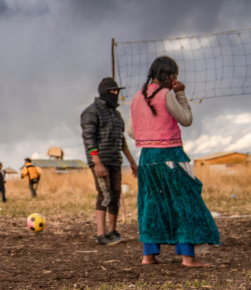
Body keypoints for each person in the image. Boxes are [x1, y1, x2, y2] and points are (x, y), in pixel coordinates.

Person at [128, 56, 218, 267]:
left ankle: (149, 256)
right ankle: (188, 257)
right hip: (171, 155)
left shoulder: (137, 96)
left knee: (150, 203)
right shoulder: (167, 94)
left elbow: (131, 131)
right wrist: (181, 93)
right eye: (175, 75)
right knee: (184, 201)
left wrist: (150, 134)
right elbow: (186, 119)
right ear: (169, 75)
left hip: (147, 158)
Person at [81, 77, 139, 245]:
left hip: (115, 161)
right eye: (112, 91)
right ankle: (101, 234)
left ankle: (113, 232)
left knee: (115, 194)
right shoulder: (91, 112)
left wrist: (132, 162)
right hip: (101, 161)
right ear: (104, 92)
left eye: (117, 91)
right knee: (104, 194)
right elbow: (89, 139)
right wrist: (97, 162)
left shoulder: (116, 114)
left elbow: (122, 141)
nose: (115, 94)